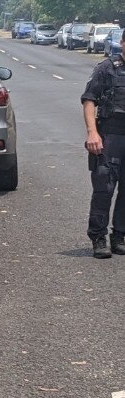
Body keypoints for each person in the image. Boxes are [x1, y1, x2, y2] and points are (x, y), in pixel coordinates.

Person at [82, 29, 125, 258]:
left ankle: (119, 236)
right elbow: (89, 100)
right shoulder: (107, 68)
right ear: (123, 43)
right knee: (104, 189)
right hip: (109, 136)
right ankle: (98, 238)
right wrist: (92, 133)